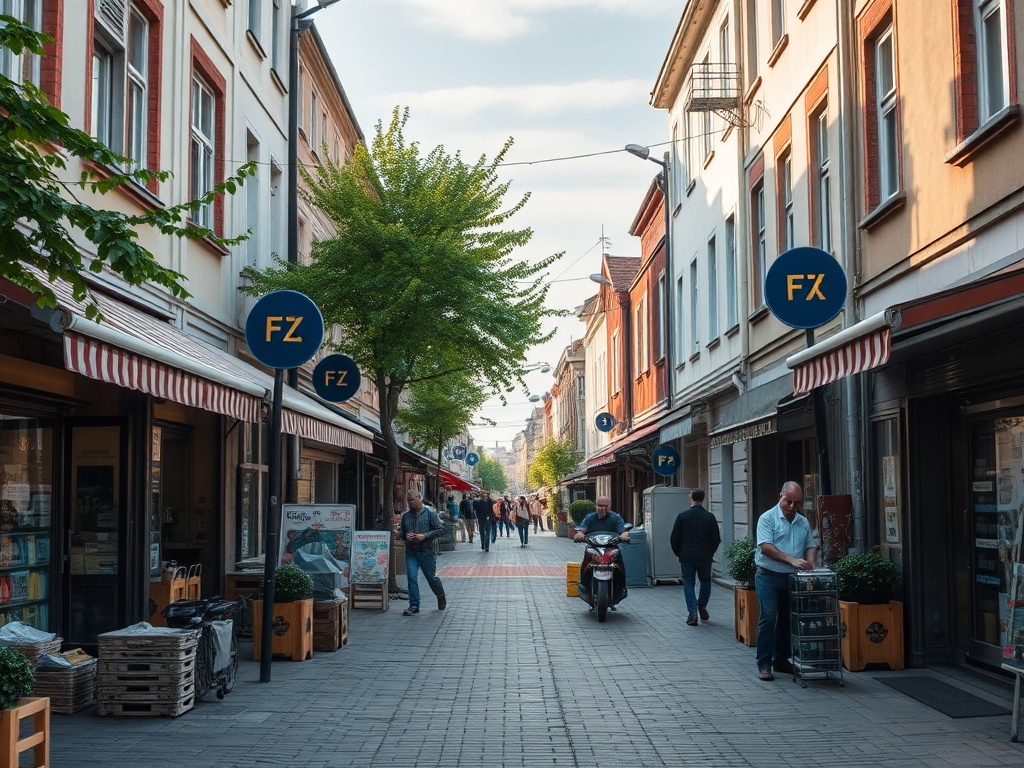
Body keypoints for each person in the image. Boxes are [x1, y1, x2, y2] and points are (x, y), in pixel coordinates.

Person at [754, 481, 817, 681]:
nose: (791, 506)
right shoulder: (767, 518)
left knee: (787, 619)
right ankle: (764, 662)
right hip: (768, 575)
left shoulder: (803, 522)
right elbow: (766, 547)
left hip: (792, 577)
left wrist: (811, 564)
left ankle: (781, 659)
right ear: (780, 495)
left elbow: (810, 545)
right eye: (788, 501)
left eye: (796, 503)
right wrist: (792, 560)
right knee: (769, 616)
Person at [669, 488, 721, 626]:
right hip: (705, 556)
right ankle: (702, 605)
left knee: (689, 582)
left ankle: (692, 613)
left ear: (690, 498)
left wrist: (678, 553)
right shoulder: (709, 517)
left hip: (687, 555)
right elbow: (716, 538)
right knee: (705, 581)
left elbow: (674, 538)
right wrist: (710, 552)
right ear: (703, 499)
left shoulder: (682, 516)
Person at [398, 490, 447, 616]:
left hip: (427, 552)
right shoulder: (406, 516)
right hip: (411, 552)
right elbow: (402, 533)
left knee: (431, 578)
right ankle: (414, 605)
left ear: (419, 498)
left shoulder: (431, 513)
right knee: (411, 577)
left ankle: (440, 595)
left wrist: (425, 536)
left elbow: (441, 530)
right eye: (408, 501)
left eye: (412, 500)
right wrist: (406, 536)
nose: (410, 503)